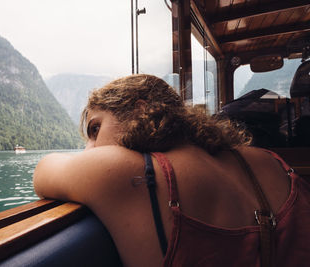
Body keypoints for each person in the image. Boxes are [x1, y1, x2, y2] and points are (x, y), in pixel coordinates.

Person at [33, 74, 310, 267]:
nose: (90, 150)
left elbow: (43, 170)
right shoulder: (269, 160)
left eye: (96, 129)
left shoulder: (124, 173)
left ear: (141, 111)